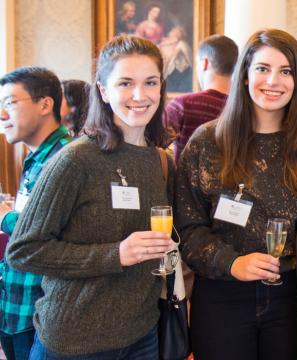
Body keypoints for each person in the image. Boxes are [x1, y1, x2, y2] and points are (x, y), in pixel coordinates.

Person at [6, 35, 175, 359]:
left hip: (143, 335)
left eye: (150, 82)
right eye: (125, 83)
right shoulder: (76, 160)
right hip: (75, 340)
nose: (140, 95)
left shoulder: (161, 162)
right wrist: (116, 254)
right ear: (103, 90)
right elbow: (23, 250)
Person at [174, 28, 297, 360]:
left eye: (286, 71)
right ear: (244, 75)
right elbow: (186, 227)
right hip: (221, 296)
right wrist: (233, 263)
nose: (274, 81)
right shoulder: (207, 142)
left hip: (294, 297)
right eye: (263, 69)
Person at [0, 67, 72, 360]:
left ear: (45, 104)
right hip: (19, 304)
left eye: (10, 103)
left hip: (39, 310)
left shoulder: (66, 159)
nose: (3, 115)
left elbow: (48, 234)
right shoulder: (36, 157)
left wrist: (4, 215)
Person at [164, 34, 238, 162]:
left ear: (204, 63)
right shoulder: (241, 109)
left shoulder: (182, 105)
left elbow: (152, 143)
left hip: (184, 181)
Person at [159, 26, 193, 92]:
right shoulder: (165, 42)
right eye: (173, 31)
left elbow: (175, 55)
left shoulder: (181, 44)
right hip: (168, 70)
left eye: (177, 32)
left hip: (180, 70)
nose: (173, 32)